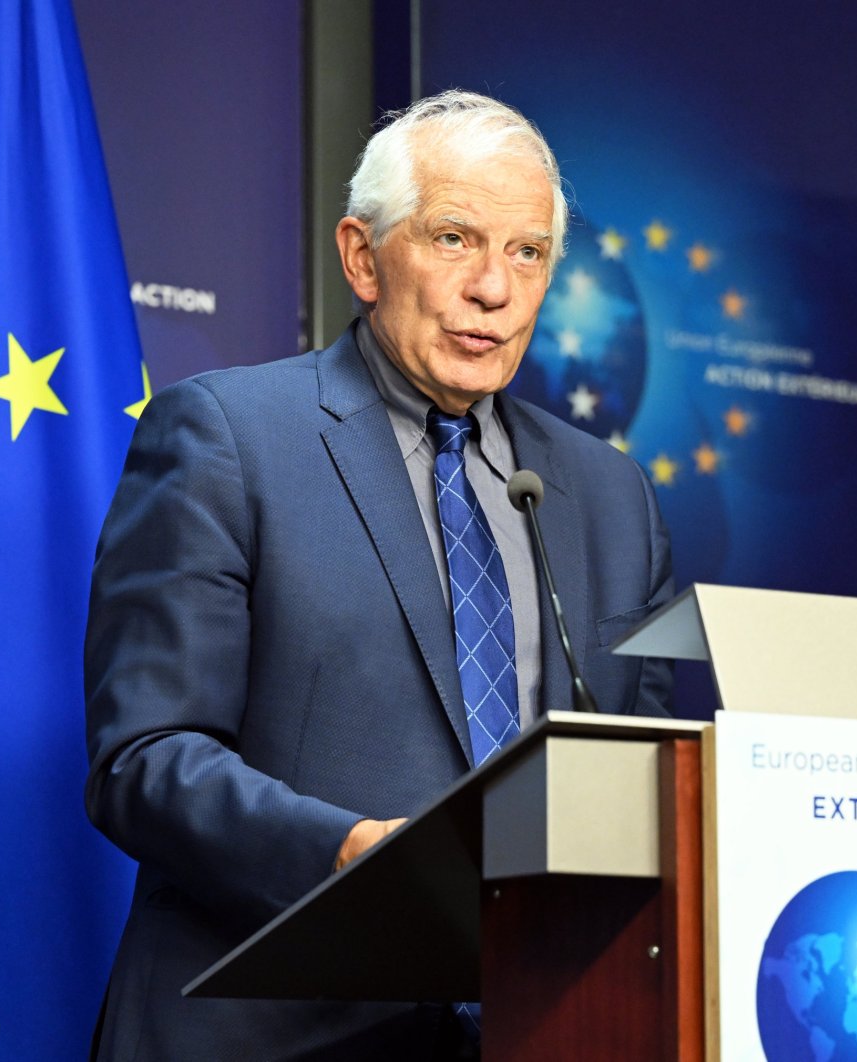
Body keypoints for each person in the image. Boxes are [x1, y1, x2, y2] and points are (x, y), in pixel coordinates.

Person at [84, 90, 674, 1060]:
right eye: (454, 239)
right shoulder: (227, 438)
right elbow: (142, 760)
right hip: (275, 1035)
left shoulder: (607, 496)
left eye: (527, 253)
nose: (494, 287)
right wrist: (348, 855)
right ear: (362, 256)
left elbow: (649, 791)